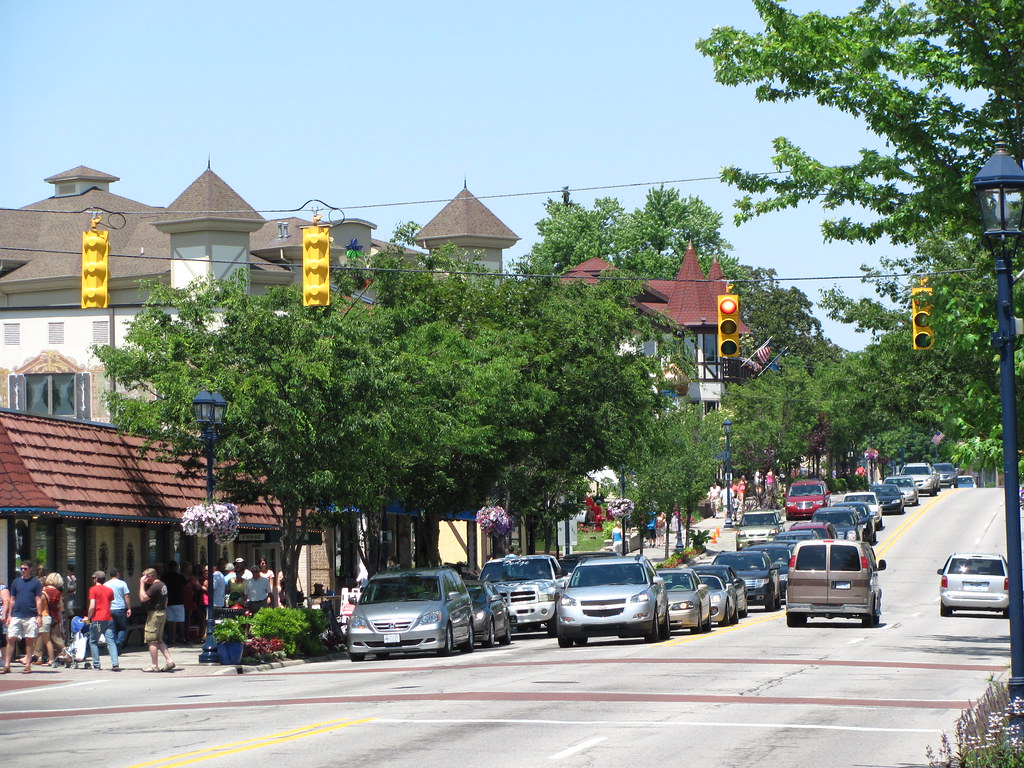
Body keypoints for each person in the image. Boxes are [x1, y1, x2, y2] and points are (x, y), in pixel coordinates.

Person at [3, 561, 43, 674]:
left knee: (29, 640)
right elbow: (12, 599)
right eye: (22, 569)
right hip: (16, 614)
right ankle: (7, 664)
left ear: (30, 569)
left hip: (30, 615)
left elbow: (38, 599)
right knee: (10, 638)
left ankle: (28, 664)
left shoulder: (35, 582)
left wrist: (39, 616)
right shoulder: (16, 582)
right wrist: (9, 615)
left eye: (25, 569)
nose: (23, 571)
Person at [138, 568, 175, 673]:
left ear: (150, 576)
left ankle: (154, 665)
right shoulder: (162, 584)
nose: (143, 578)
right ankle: (169, 661)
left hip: (155, 613)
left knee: (151, 640)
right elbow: (166, 600)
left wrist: (141, 584)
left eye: (145, 576)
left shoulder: (155, 586)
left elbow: (143, 598)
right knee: (159, 639)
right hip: (162, 612)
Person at [87, 570, 120, 671]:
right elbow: (109, 605)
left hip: (97, 619)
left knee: (93, 641)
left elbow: (92, 606)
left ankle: (96, 664)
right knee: (111, 642)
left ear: (96, 578)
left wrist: (88, 618)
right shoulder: (109, 590)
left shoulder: (93, 589)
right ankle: (115, 663)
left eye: (93, 578)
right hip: (108, 618)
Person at [35, 572, 64, 664]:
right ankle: (64, 653)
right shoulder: (58, 592)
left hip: (44, 615)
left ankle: (38, 657)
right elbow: (61, 607)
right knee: (56, 637)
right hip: (55, 616)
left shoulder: (43, 590)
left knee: (40, 637)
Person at [105, 567, 131, 652]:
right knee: (122, 628)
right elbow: (126, 596)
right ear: (117, 574)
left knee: (113, 629)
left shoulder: (106, 584)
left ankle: (115, 646)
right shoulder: (122, 583)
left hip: (110, 609)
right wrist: (129, 608)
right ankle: (119, 641)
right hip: (120, 608)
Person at [161, 560, 187, 644]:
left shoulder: (164, 576)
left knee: (170, 620)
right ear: (176, 567)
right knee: (180, 620)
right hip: (178, 600)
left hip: (168, 600)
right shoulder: (179, 576)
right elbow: (185, 586)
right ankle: (182, 638)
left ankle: (171, 638)